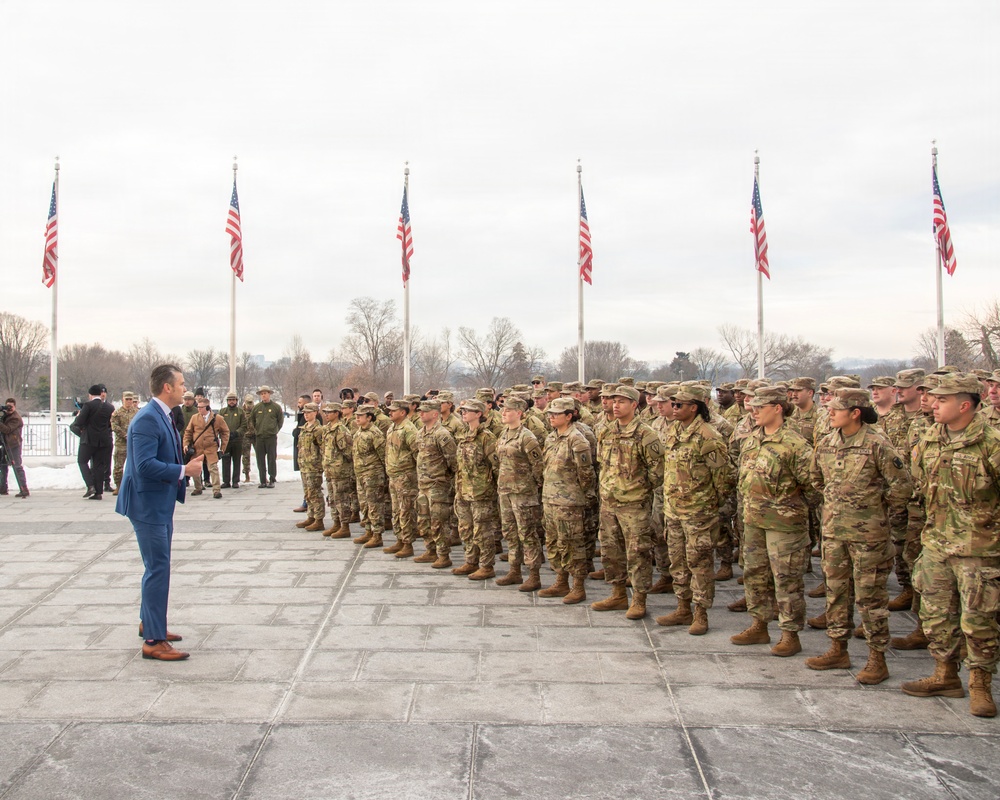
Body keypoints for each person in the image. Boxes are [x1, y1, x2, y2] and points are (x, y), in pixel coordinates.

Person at [903, 372, 1000, 717]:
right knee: (936, 615)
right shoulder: (931, 438)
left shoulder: (991, 443)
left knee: (979, 621)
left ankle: (980, 685)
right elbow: (918, 482)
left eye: (942, 400)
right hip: (937, 543)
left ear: (965, 404)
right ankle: (945, 675)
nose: (933, 404)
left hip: (979, 550)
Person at [806, 388, 912, 684]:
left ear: (855, 413)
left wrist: (872, 509)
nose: (829, 411)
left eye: (836, 408)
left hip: (870, 536)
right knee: (836, 592)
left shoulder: (878, 444)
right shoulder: (827, 443)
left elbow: (902, 488)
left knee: (871, 598)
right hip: (834, 533)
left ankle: (877, 658)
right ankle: (838, 649)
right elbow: (817, 480)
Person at [116, 364, 204, 661]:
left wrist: (183, 459)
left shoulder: (161, 415)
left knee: (156, 567)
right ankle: (153, 641)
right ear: (167, 387)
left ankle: (150, 623)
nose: (184, 387)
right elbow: (143, 466)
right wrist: (184, 470)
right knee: (158, 569)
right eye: (180, 383)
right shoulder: (146, 419)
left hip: (157, 502)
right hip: (147, 504)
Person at [730, 386, 817, 656]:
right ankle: (759, 624)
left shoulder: (795, 445)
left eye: (760, 407)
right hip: (754, 519)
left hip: (784, 524)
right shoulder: (752, 439)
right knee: (755, 575)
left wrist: (789, 506)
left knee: (786, 580)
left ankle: (790, 633)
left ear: (778, 408)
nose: (753, 411)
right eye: (752, 406)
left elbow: (813, 486)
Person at [655, 384, 731, 635]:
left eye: (678, 405)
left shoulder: (708, 436)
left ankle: (701, 613)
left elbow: (723, 476)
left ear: (694, 408)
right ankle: (682, 607)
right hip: (674, 510)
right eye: (673, 404)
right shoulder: (675, 430)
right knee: (678, 561)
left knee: (699, 563)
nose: (673, 409)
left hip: (699, 512)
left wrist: (710, 503)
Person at [590, 385, 663, 621]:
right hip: (609, 502)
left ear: (634, 404)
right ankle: (618, 593)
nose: (616, 405)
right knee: (612, 551)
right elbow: (602, 463)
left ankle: (639, 599)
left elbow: (658, 472)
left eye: (622, 401)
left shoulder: (646, 434)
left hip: (634, 505)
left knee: (638, 553)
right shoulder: (607, 431)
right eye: (614, 401)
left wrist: (637, 490)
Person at [538, 397, 596, 602]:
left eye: (556, 414)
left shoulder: (577, 439)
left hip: (569, 502)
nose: (551, 417)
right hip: (550, 499)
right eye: (550, 414)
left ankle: (578, 586)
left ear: (569, 416)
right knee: (553, 542)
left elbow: (587, 473)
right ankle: (561, 581)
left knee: (572, 543)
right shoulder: (551, 437)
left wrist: (581, 495)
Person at [495, 396, 545, 591]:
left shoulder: (527, 437)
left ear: (519, 413)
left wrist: (533, 486)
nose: (503, 413)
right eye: (503, 409)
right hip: (505, 491)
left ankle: (534, 574)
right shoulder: (504, 434)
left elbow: (538, 466)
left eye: (508, 410)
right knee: (510, 532)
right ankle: (514, 570)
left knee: (527, 533)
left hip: (523, 493)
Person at [452, 399, 501, 580]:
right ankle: (471, 560)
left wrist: (493, 490)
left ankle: (486, 565)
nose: (464, 413)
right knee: (466, 527)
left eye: (468, 411)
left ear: (479, 414)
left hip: (481, 492)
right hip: (464, 489)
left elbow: (496, 465)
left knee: (483, 530)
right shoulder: (465, 435)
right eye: (463, 411)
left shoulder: (487, 438)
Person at [383, 400, 419, 556]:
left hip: (405, 476)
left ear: (403, 412)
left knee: (406, 511)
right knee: (396, 510)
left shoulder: (409, 429)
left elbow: (418, 454)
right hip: (394, 475)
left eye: (394, 410)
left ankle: (408, 544)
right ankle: (399, 539)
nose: (390, 412)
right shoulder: (392, 427)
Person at [352, 404, 387, 548]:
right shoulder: (358, 432)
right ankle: (368, 530)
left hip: (373, 474)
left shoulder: (375, 433)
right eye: (356, 416)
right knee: (364, 504)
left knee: (374, 505)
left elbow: (383, 455)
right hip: (360, 473)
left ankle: (377, 534)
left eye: (360, 416)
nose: (357, 419)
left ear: (369, 418)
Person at [74, 383, 115, 500]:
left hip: (89, 439)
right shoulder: (110, 407)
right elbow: (110, 424)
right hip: (103, 440)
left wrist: (79, 417)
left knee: (82, 461)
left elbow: (79, 422)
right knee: (99, 465)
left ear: (90, 395)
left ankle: (90, 485)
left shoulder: (88, 405)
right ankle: (99, 492)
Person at [183, 398, 230, 499]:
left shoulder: (218, 418)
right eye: (198, 407)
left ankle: (216, 490)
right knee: (196, 468)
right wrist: (186, 444)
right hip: (197, 448)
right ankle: (198, 487)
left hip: (211, 448)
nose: (199, 409)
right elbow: (188, 432)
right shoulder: (194, 418)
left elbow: (225, 432)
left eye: (201, 407)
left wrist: (223, 447)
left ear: (208, 407)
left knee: (213, 468)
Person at [294, 402, 326, 532]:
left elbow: (323, 449)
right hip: (305, 465)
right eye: (305, 413)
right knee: (308, 493)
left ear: (315, 413)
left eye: (309, 412)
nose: (306, 415)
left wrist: (321, 464)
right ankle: (311, 516)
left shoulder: (319, 430)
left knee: (315, 493)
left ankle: (319, 519)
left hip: (314, 466)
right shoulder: (305, 427)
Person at [251, 385, 283, 487]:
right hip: (260, 437)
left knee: (271, 458)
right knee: (260, 459)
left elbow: (280, 421)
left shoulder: (276, 407)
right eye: (262, 394)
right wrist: (257, 430)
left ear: (269, 394)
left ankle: (272, 479)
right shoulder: (256, 408)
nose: (263, 395)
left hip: (271, 437)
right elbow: (252, 421)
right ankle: (262, 480)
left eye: (265, 393)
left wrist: (274, 430)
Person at [110, 392, 138, 495]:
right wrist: (124, 435)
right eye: (127, 399)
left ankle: (134, 486)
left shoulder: (137, 412)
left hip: (134, 443)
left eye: (131, 399)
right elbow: (114, 426)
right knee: (118, 466)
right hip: (121, 443)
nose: (129, 401)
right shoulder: (117, 413)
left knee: (135, 466)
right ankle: (119, 486)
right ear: (123, 400)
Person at [0, 397, 29, 498]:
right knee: (3, 465)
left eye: (11, 407)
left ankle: (24, 488)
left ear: (15, 407)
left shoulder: (15, 418)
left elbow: (7, 429)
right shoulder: (6, 416)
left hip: (13, 444)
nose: (9, 409)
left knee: (17, 466)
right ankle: (2, 488)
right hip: (5, 444)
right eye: (7, 407)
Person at [218, 392, 246, 489]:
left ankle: (235, 481)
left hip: (237, 440)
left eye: (233, 400)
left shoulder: (241, 412)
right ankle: (226, 481)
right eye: (230, 400)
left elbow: (244, 425)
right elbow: (218, 424)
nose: (231, 402)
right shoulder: (222, 412)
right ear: (227, 401)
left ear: (236, 401)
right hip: (225, 441)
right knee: (225, 460)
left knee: (236, 461)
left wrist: (237, 433)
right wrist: (222, 434)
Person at [241, 394, 256, 484]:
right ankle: (247, 475)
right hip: (246, 436)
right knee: (246, 456)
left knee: (260, 456)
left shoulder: (256, 410)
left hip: (255, 435)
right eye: (248, 403)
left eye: (251, 403)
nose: (249, 405)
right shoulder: (241, 412)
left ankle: (263, 475)